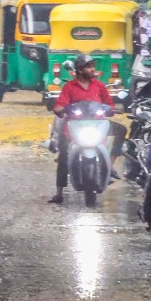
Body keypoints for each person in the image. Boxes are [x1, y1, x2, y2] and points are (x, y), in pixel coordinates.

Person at [48, 53, 124, 204]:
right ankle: (59, 193)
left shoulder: (99, 86)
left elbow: (109, 103)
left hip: (97, 124)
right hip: (74, 126)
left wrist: (110, 109)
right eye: (89, 67)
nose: (92, 70)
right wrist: (59, 109)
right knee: (64, 154)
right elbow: (60, 104)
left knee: (121, 130)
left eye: (93, 67)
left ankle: (110, 163)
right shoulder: (69, 87)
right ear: (80, 69)